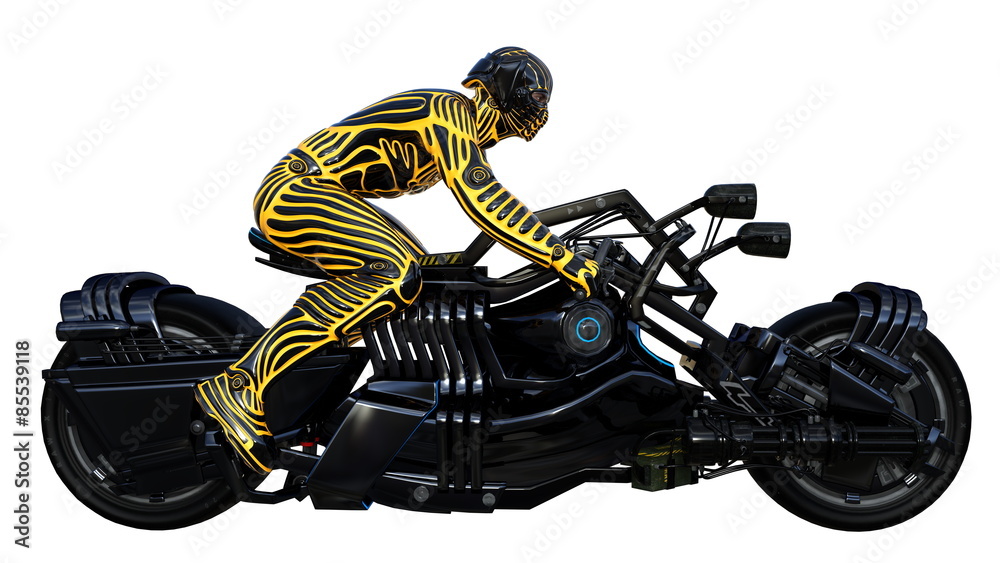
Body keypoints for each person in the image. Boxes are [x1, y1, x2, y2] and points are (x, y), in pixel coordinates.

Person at [195, 46, 600, 474]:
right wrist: (558, 254)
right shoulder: (449, 112)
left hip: (331, 193)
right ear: (498, 88)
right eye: (534, 97)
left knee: (433, 285)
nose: (540, 110)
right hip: (297, 189)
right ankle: (239, 384)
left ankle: (346, 396)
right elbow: (482, 195)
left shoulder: (465, 130)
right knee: (395, 276)